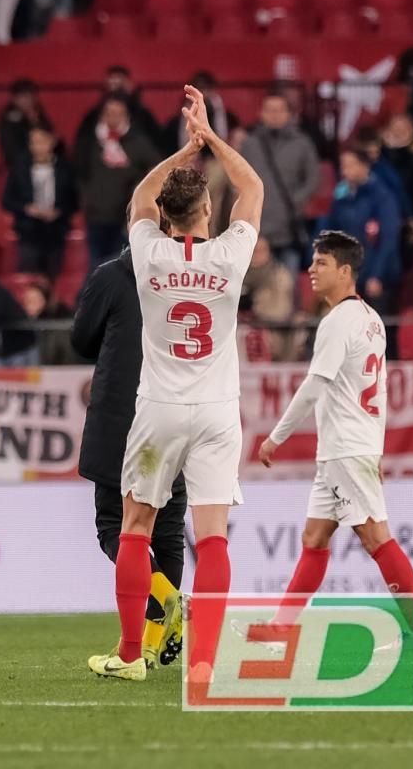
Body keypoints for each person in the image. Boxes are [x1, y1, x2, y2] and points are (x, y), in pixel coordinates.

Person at [89, 85, 263, 684]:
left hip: (160, 408)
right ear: (208, 213)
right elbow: (255, 189)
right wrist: (210, 138)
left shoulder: (149, 253)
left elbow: (138, 197)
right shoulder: (231, 255)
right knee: (211, 539)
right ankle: (207, 662)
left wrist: (181, 151)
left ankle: (131, 656)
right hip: (218, 411)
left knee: (134, 528)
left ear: (166, 214)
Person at [257, 231, 413, 652]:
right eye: (312, 263)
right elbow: (380, 390)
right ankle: (281, 631)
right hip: (349, 447)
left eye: (321, 263)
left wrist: (275, 437)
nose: (311, 271)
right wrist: (376, 448)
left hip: (345, 447)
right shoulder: (371, 318)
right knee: (314, 538)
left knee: (376, 538)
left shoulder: (338, 321)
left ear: (345, 270)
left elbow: (315, 384)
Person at [72, 247, 188, 671]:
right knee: (169, 529)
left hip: (123, 416)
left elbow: (80, 339)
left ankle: (154, 620)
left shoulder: (114, 275)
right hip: (181, 411)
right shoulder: (192, 275)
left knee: (115, 527)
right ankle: (154, 642)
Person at [73, 93, 159, 269]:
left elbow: (157, 168)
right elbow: (78, 172)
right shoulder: (89, 141)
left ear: (126, 115)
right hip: (96, 216)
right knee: (95, 268)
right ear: (102, 115)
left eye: (119, 113)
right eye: (110, 113)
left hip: (124, 220)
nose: (114, 117)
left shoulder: (138, 141)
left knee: (120, 269)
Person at [238, 90, 319, 274]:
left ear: (289, 114)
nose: (274, 115)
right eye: (269, 110)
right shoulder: (250, 144)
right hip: (257, 230)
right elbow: (239, 182)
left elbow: (313, 178)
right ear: (261, 113)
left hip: (289, 228)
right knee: (257, 293)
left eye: (279, 110)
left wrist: (296, 202)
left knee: (289, 287)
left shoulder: (302, 143)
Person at [316, 148, 401, 315]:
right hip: (351, 273)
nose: (345, 170)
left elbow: (389, 239)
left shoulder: (382, 196)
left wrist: (377, 275)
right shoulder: (341, 197)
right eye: (343, 166)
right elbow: (330, 230)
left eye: (351, 165)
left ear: (365, 166)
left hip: (377, 275)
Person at [3, 127, 77, 280]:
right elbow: (7, 201)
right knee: (29, 279)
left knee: (54, 280)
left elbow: (74, 201)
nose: (38, 147)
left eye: (42, 141)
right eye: (34, 142)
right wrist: (27, 209)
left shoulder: (65, 168)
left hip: (56, 232)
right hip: (28, 232)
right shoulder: (20, 168)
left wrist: (59, 211)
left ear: (52, 142)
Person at [0, 77, 54, 168]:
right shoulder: (9, 120)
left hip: (42, 166)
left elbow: (49, 135)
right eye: (24, 97)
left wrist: (35, 122)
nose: (29, 101)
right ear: (15, 99)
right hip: (21, 167)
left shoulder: (39, 114)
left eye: (31, 96)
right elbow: (11, 150)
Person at [20, 281, 79, 366]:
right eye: (27, 301)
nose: (30, 305)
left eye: (35, 300)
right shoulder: (21, 327)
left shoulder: (56, 327)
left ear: (46, 301)